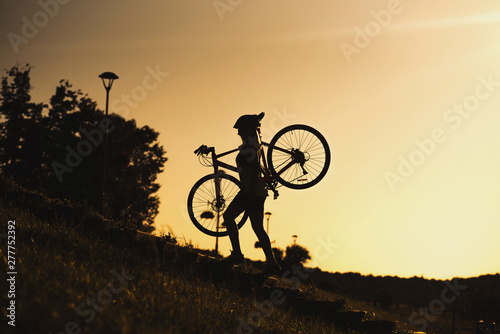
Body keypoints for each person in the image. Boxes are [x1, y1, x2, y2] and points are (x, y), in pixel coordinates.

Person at [222, 112, 281, 274]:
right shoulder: (253, 144)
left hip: (251, 191)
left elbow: (255, 167)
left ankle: (237, 255)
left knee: (228, 217)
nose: (238, 132)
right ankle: (272, 263)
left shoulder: (250, 146)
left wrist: (249, 191)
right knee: (257, 227)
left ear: (248, 129)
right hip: (257, 191)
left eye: (240, 129)